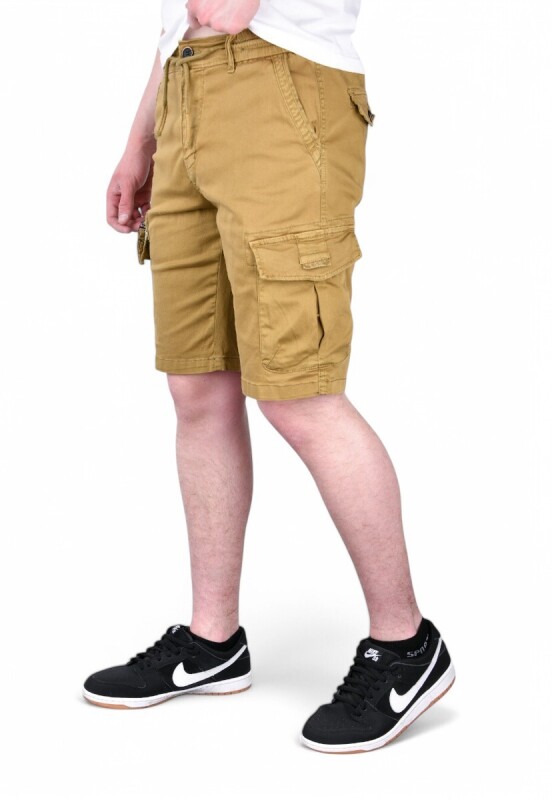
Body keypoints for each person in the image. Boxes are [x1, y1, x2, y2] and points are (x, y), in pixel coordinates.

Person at [82, 0, 455, 753]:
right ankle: (212, 640)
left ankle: (407, 644)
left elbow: (229, 10)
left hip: (282, 89)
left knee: (298, 391)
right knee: (198, 385)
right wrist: (139, 142)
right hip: (185, 90)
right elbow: (183, 20)